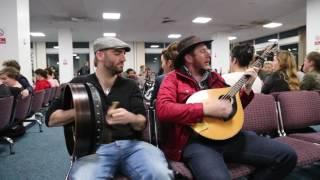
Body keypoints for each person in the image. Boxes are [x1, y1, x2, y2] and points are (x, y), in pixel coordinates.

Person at [156, 36, 297, 180]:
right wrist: (205, 109)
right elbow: (163, 110)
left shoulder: (215, 77)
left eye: (208, 50)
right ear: (188, 58)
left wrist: (247, 89)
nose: (209, 54)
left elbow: (232, 105)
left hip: (229, 136)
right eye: (202, 51)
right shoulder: (172, 79)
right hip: (196, 142)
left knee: (287, 156)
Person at [45, 36, 173, 180]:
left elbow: (141, 122)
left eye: (124, 54)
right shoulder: (79, 84)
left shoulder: (130, 85)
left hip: (132, 147)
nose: (124, 58)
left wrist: (130, 117)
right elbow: (50, 119)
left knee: (160, 174)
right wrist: (85, 110)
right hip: (94, 150)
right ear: (100, 55)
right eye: (117, 53)